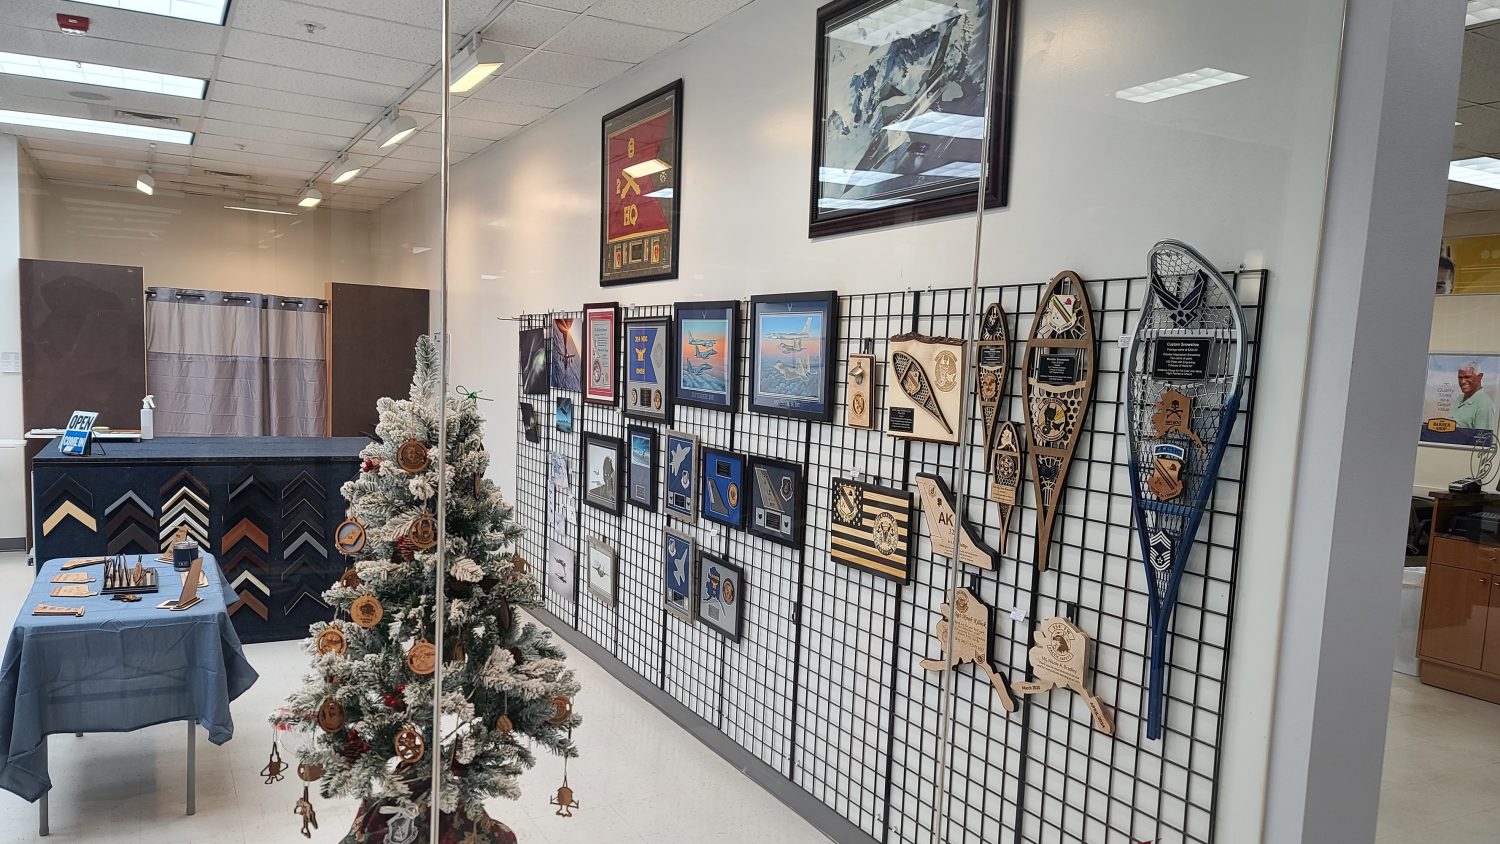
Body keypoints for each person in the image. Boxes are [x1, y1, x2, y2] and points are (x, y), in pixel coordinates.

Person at [1454, 360, 1496, 432]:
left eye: (1467, 377)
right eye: (1460, 378)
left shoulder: (1484, 405)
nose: (1463, 381)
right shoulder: (1459, 398)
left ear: (1480, 377)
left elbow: (1482, 440)